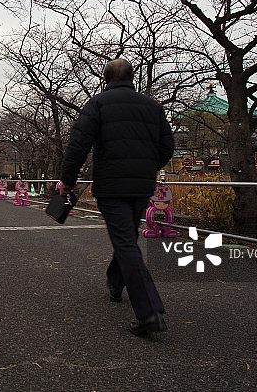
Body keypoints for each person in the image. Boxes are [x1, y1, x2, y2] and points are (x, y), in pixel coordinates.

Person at [59, 58, 174, 335]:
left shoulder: (97, 104)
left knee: (125, 241)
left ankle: (149, 312)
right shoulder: (153, 106)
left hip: (111, 185)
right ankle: (115, 281)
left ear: (105, 79)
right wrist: (147, 167)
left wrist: (68, 180)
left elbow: (78, 145)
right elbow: (168, 146)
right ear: (132, 78)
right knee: (128, 238)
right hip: (141, 184)